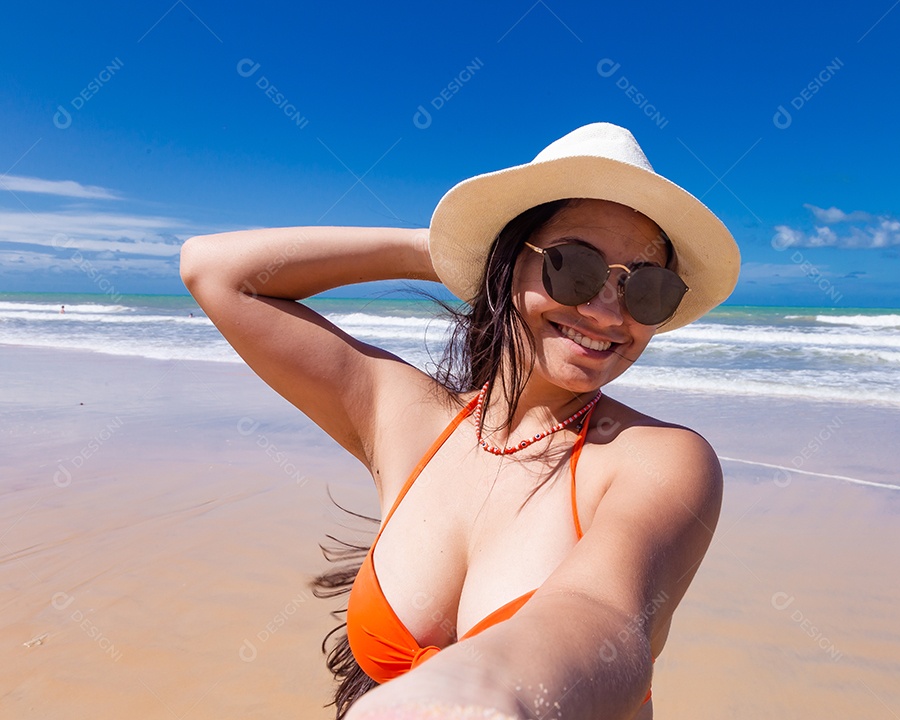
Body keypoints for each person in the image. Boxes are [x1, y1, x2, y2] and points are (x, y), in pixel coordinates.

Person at [180, 122, 740, 720]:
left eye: (647, 289)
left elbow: (604, 615)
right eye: (574, 267)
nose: (607, 310)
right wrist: (456, 251)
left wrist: (485, 696)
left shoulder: (658, 458)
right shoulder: (408, 418)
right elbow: (215, 271)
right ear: (509, 264)